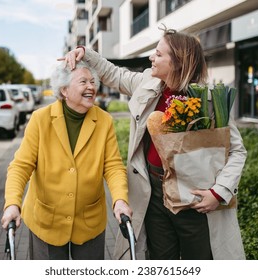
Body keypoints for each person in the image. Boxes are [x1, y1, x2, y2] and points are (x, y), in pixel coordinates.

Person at [60, 25, 247, 260]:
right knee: (160, 259)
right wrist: (84, 52)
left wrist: (219, 193)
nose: (151, 57)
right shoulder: (147, 84)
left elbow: (237, 151)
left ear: (177, 62)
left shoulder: (208, 100)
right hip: (153, 194)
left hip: (195, 198)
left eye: (158, 54)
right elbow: (114, 74)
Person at [1, 61, 132, 260]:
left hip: (89, 221)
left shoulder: (104, 121)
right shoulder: (40, 119)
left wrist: (120, 200)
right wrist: (12, 203)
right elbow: (20, 166)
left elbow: (113, 166)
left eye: (92, 81)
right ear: (64, 90)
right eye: (83, 82)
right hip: (47, 221)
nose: (91, 87)